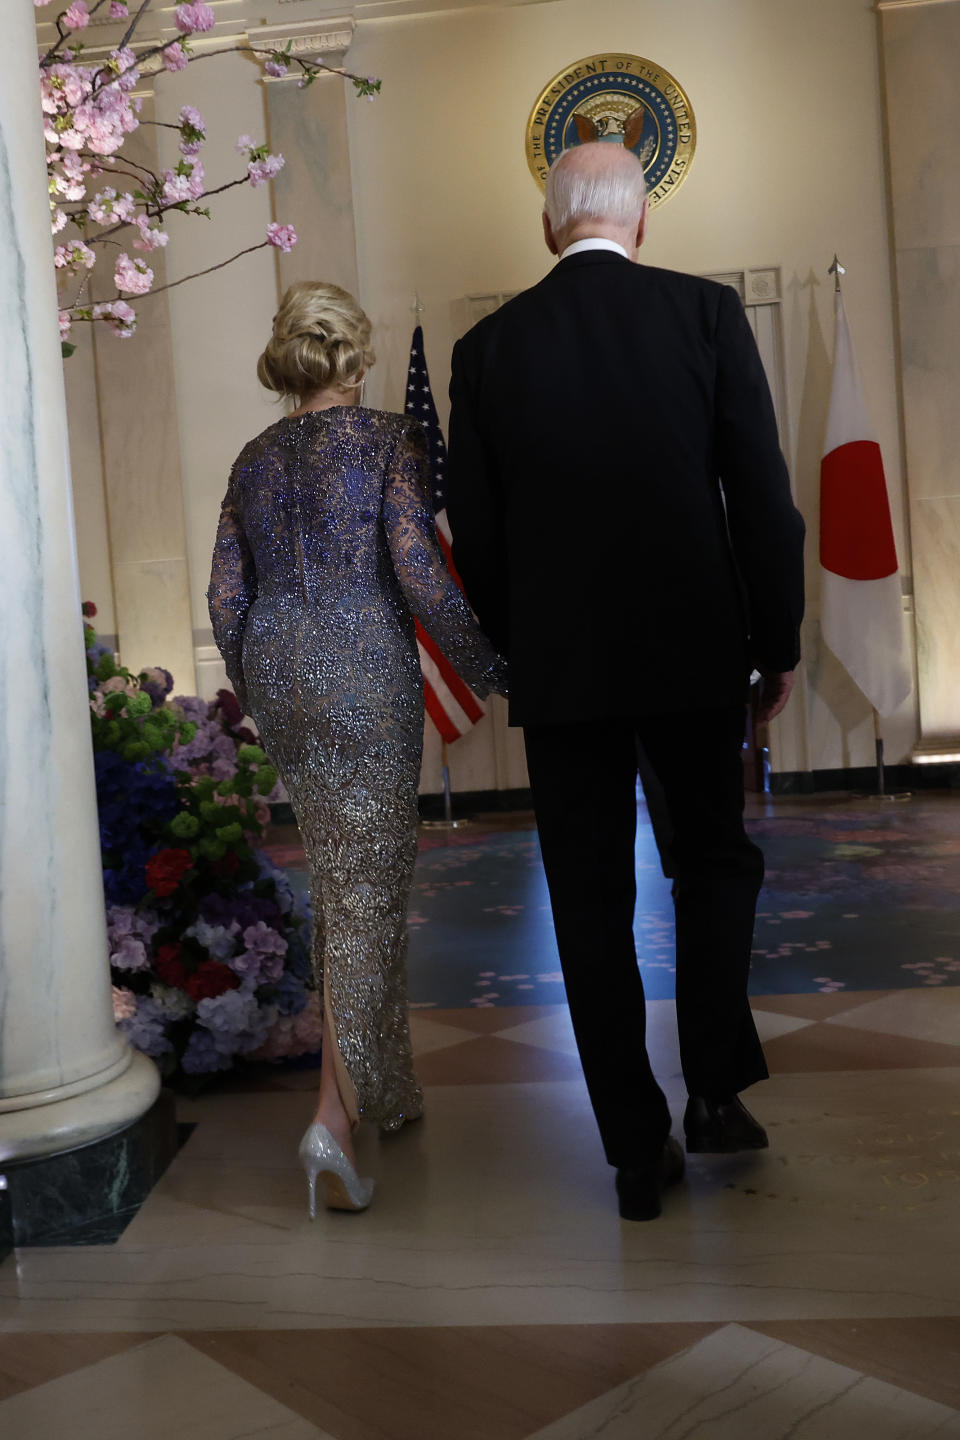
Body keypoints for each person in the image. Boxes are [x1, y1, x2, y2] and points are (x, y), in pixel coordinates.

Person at [446, 142, 805, 1222]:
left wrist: (521, 648)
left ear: (549, 226)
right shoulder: (705, 314)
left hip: (562, 670)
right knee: (715, 865)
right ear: (639, 222)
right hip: (696, 652)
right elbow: (762, 495)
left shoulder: (487, 347)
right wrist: (772, 645)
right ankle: (714, 1092)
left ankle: (633, 1150)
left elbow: (483, 535)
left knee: (589, 900)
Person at [208, 280, 506, 1216]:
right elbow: (417, 569)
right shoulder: (387, 442)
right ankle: (332, 1116)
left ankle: (388, 1087)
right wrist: (491, 666)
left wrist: (259, 686)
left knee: (345, 883)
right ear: (356, 354)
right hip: (364, 674)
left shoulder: (252, 458)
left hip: (282, 673)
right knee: (369, 889)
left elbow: (226, 601)